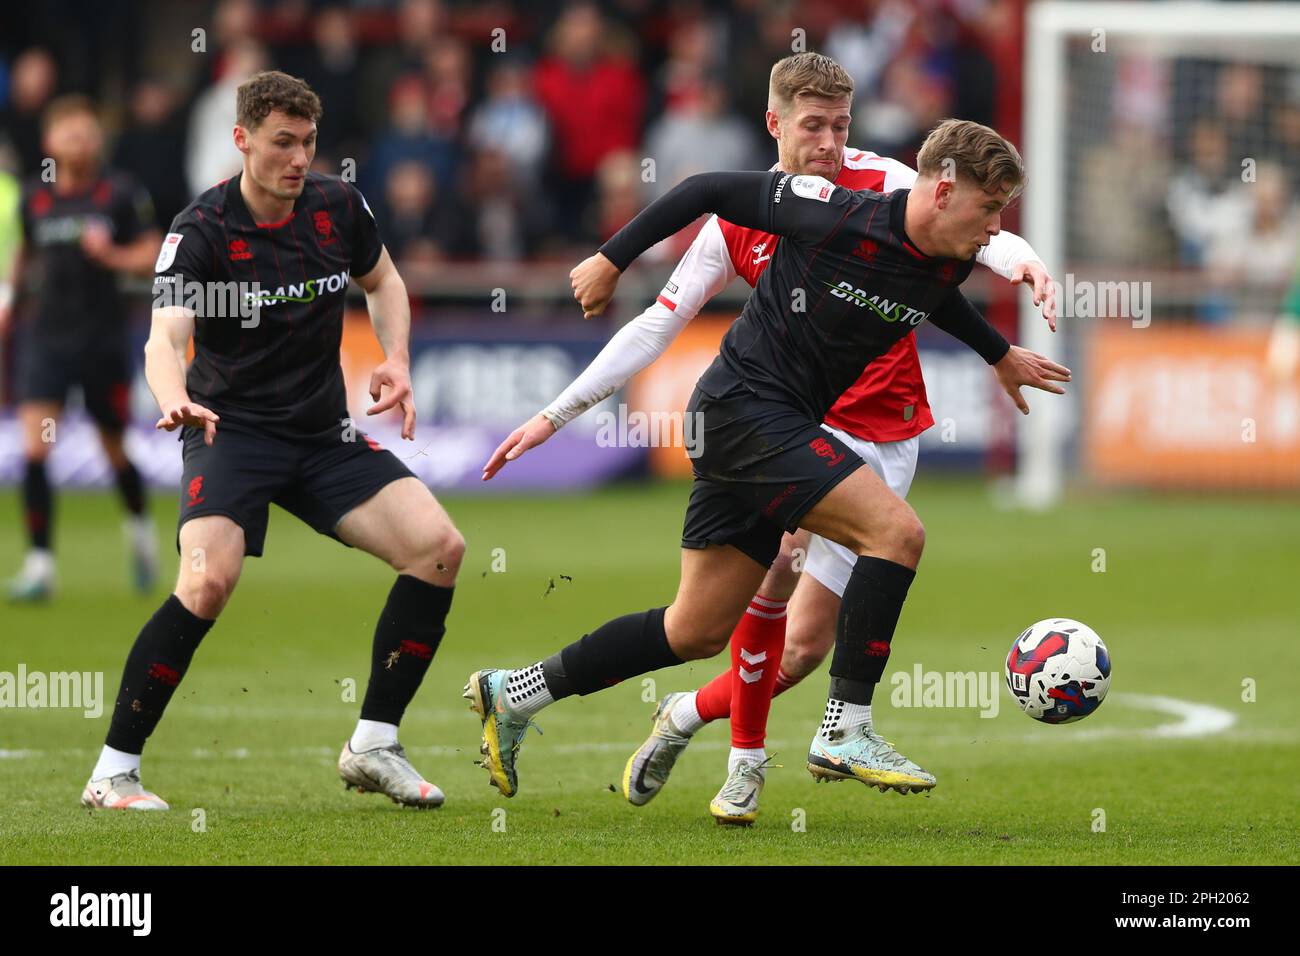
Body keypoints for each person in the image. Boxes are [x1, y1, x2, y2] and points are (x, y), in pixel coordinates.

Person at [484, 52, 1061, 825]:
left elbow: (952, 274)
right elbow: (702, 195)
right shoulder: (822, 206)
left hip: (770, 422)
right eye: (812, 124)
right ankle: (842, 728)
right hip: (754, 414)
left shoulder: (922, 221)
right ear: (777, 124)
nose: (828, 141)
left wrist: (1006, 334)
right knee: (897, 534)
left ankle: (516, 691)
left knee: (693, 629)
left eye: (839, 124)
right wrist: (610, 260)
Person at [81, 71, 464, 811]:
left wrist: (396, 357)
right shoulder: (200, 231)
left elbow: (384, 282)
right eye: (282, 143)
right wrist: (175, 398)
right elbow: (165, 338)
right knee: (207, 581)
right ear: (242, 141)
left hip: (322, 433)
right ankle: (113, 771)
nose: (298, 158)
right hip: (232, 431)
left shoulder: (338, 206)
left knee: (439, 548)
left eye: (308, 143)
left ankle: (375, 744)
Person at [3, 96, 162, 602]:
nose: (78, 137)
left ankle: (139, 533)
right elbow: (22, 254)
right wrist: (9, 299)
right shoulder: (35, 198)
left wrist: (112, 254)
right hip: (46, 340)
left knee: (114, 449)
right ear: (50, 142)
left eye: (86, 129)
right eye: (67, 130)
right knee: (35, 448)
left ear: (98, 139)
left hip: (101, 341)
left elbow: (153, 251)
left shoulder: (118, 194)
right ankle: (40, 564)